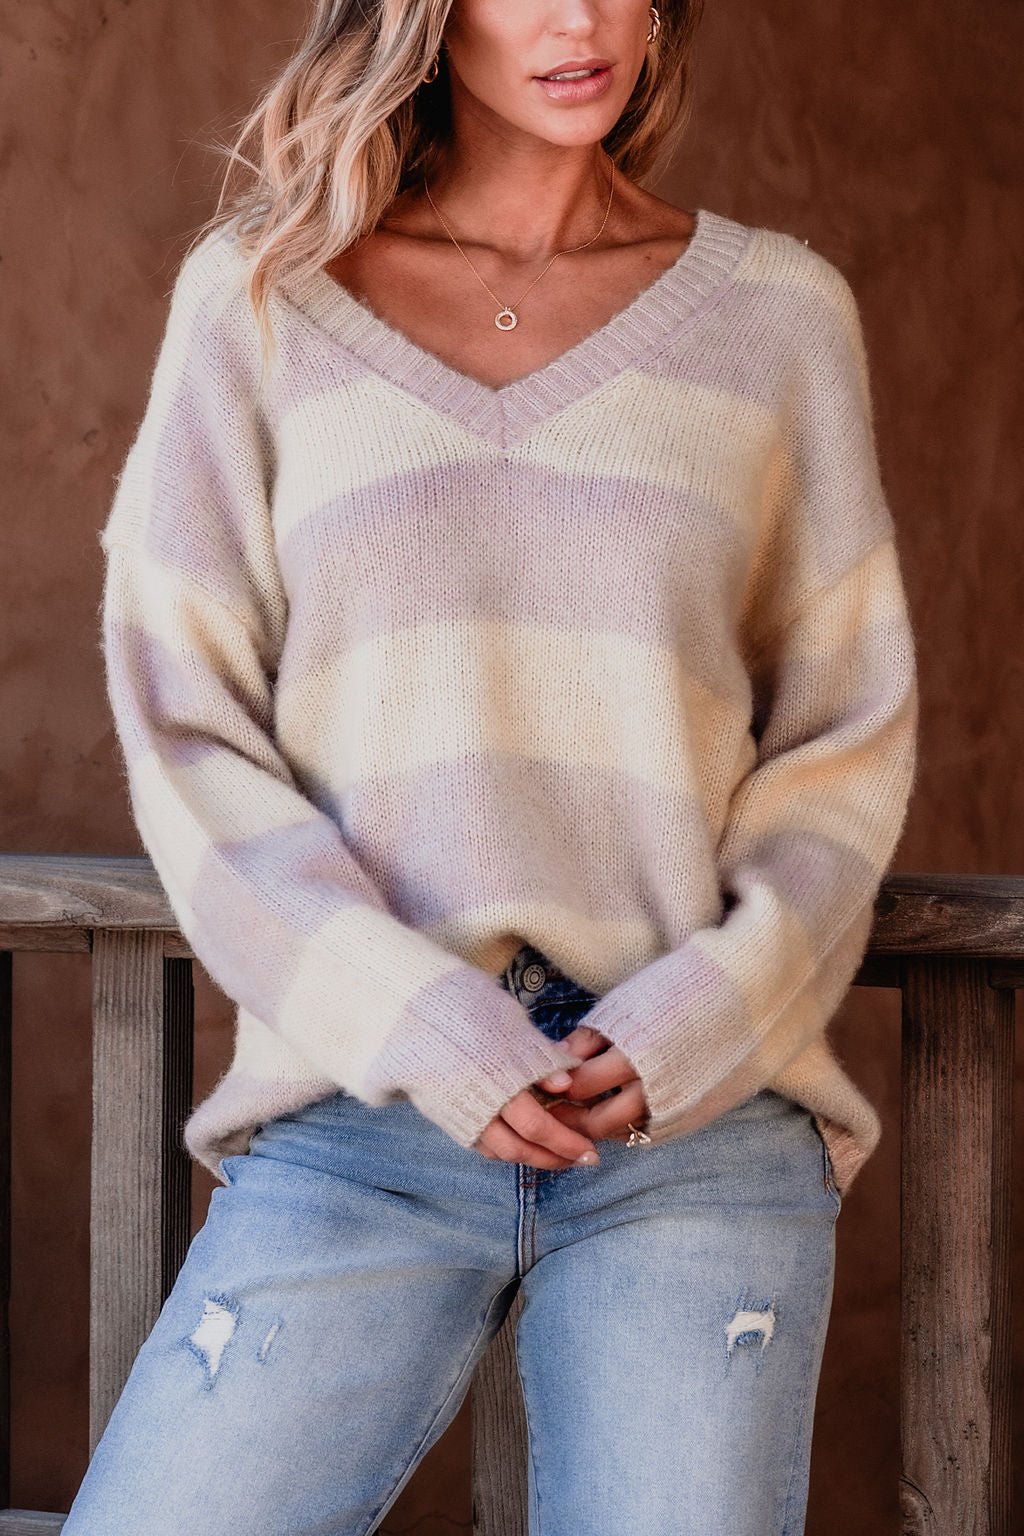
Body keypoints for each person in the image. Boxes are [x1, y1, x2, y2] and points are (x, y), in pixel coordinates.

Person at [65, 1, 918, 1531]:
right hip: (361, 1108)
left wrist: (707, 1015)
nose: (579, 18)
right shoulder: (263, 298)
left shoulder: (779, 316)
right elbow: (185, 718)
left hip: (692, 1122)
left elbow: (844, 735)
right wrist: (414, 1016)